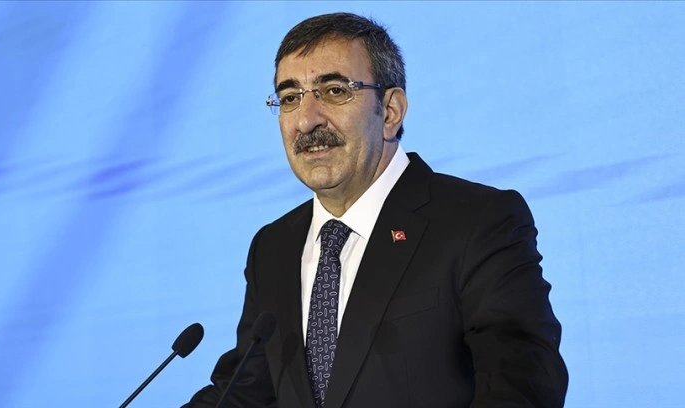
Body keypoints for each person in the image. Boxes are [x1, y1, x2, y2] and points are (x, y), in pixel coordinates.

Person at [182, 12, 568, 408]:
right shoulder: (273, 247)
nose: (306, 120)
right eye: (290, 98)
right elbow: (243, 394)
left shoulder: (477, 221)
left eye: (334, 90)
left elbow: (522, 386)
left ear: (390, 111)